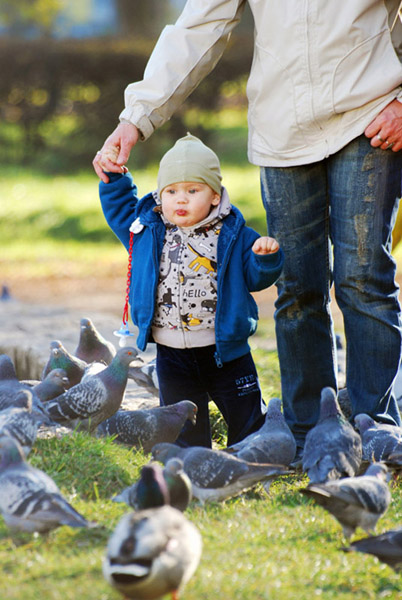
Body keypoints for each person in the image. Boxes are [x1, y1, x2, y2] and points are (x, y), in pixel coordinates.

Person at [93, 1, 402, 459]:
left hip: (372, 112)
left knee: (362, 278)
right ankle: (304, 437)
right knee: (296, 286)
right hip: (283, 130)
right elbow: (198, 27)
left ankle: (374, 431)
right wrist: (135, 117)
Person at [98, 133, 284, 447]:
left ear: (215, 195)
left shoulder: (234, 233)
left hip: (226, 354)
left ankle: (250, 463)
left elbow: (255, 279)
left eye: (192, 190)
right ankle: (190, 475)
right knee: (182, 431)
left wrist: (265, 260)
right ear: (160, 195)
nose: (180, 199)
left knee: (249, 423)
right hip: (171, 356)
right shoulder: (145, 229)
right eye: (171, 191)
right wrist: (115, 178)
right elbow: (119, 209)